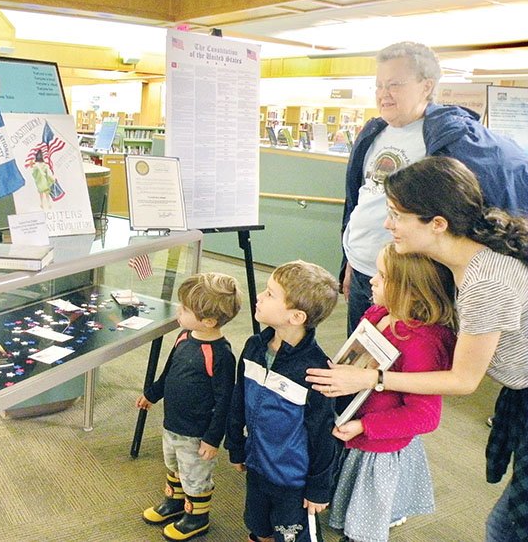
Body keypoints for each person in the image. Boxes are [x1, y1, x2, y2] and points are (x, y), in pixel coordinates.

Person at [307, 156, 528, 542]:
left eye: (396, 215)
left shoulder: (486, 281)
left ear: (437, 224)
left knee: (505, 528)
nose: (387, 224)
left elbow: (463, 381)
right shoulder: (455, 257)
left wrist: (372, 377)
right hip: (517, 389)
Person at [341, 41, 528, 335]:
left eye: (394, 84)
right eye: (378, 85)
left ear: (426, 86)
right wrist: (349, 259)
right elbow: (359, 199)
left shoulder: (453, 138)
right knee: (360, 357)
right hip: (365, 270)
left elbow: (512, 171)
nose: (383, 93)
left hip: (412, 280)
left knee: (409, 362)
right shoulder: (373, 132)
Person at [328, 243, 456, 542]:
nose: (372, 280)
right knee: (353, 499)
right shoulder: (379, 313)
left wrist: (364, 426)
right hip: (358, 428)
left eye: (382, 276)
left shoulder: (423, 342)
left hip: (379, 443)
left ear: (412, 290)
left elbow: (425, 417)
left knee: (366, 521)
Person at [225, 260, 340, 542]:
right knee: (259, 526)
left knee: (290, 536)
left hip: (292, 481)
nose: (259, 298)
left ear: (297, 317)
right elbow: (238, 398)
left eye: (270, 294)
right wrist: (236, 447)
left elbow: (324, 434)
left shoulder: (316, 371)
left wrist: (317, 488)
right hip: (257, 466)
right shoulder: (254, 347)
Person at [136, 272, 242, 541]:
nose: (178, 312)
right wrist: (152, 394)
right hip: (172, 424)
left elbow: (225, 401)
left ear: (208, 321)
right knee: (173, 465)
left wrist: (212, 439)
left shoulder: (220, 355)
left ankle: (196, 518)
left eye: (185, 309)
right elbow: (170, 370)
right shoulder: (184, 336)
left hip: (197, 434)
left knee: (196, 476)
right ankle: (175, 502)